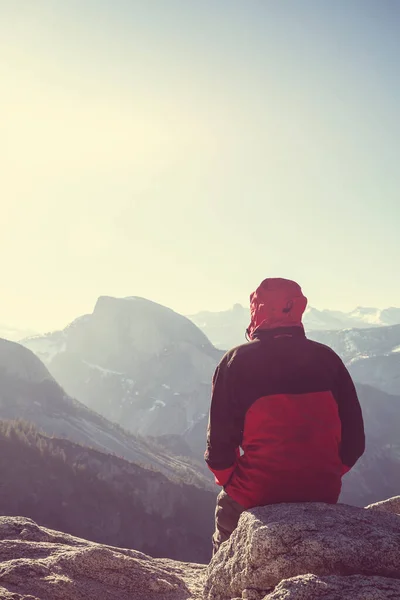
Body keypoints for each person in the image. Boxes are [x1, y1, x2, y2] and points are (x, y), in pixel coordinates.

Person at [204, 278, 365, 554]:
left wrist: (236, 482)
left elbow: (219, 450)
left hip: (253, 495)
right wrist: (319, 474)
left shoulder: (235, 362)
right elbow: (354, 443)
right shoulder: (329, 360)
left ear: (257, 311)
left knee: (226, 543)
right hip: (321, 491)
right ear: (299, 309)